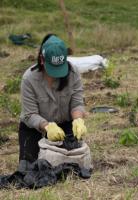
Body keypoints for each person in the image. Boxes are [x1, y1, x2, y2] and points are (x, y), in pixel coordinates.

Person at [19, 34, 87, 163]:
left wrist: (78, 119)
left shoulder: (73, 73)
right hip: (35, 129)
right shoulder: (29, 79)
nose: (56, 74)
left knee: (71, 165)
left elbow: (77, 103)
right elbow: (29, 114)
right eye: (53, 68)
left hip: (64, 126)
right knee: (30, 167)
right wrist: (47, 126)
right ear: (42, 60)